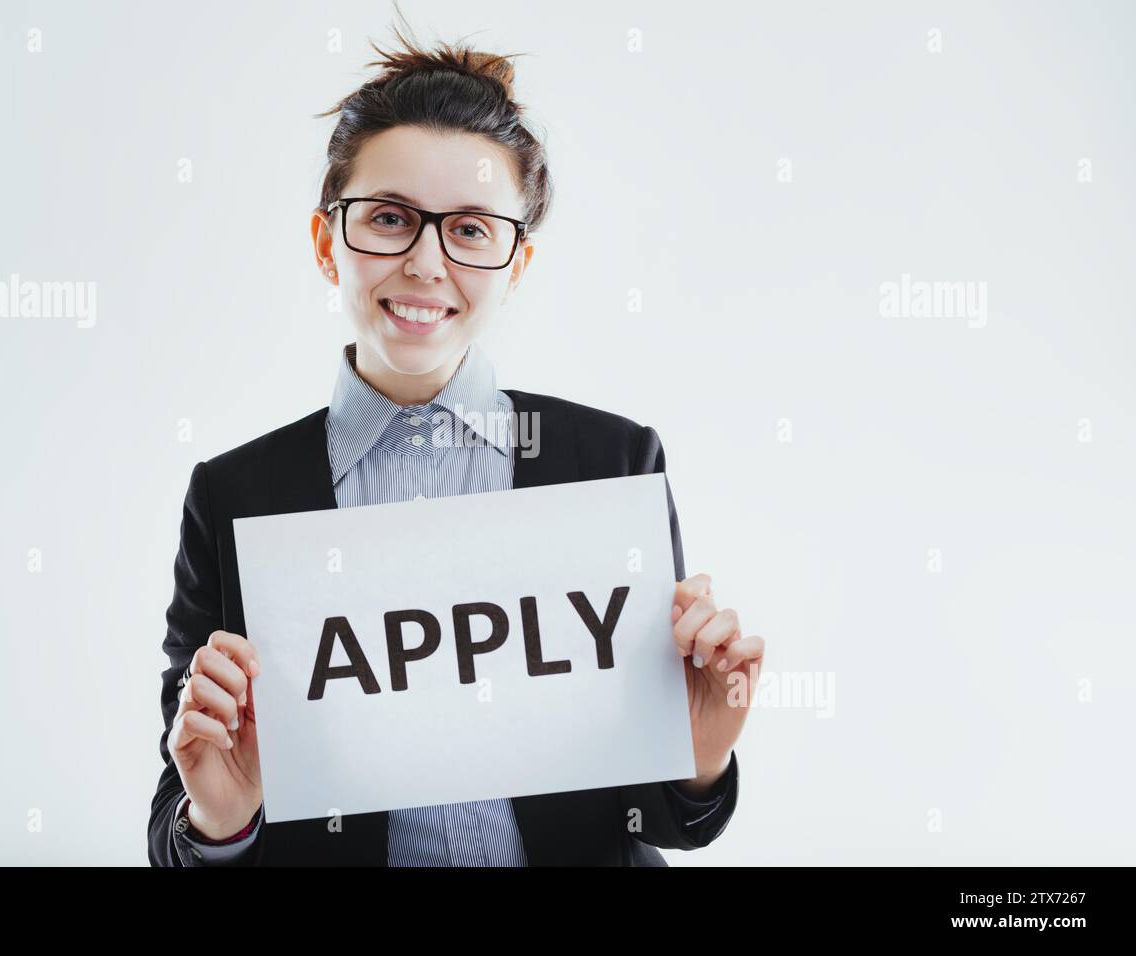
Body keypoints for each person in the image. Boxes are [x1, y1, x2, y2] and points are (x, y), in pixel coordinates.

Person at [147, 12, 765, 867]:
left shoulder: (610, 465)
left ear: (516, 264)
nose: (427, 263)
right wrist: (220, 820)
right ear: (330, 243)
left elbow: (656, 822)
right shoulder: (235, 497)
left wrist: (697, 761)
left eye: (472, 228)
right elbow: (177, 830)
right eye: (391, 217)